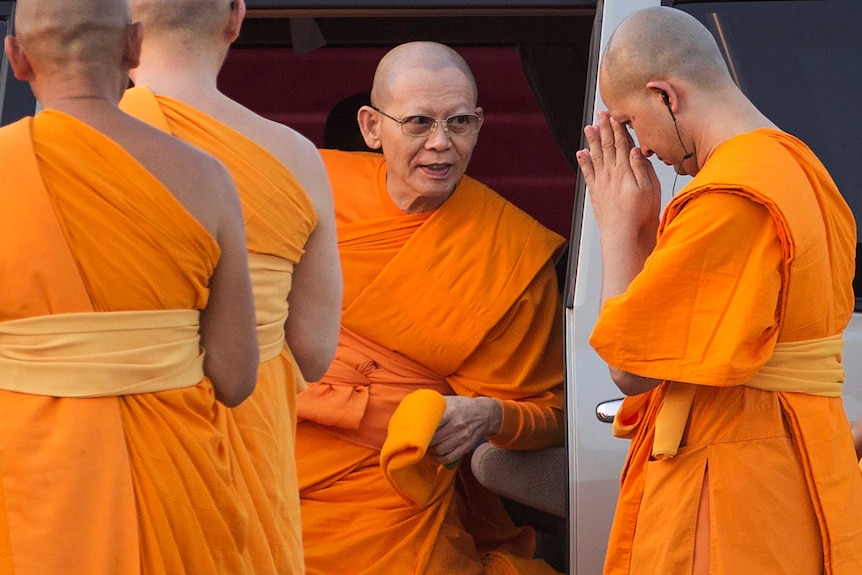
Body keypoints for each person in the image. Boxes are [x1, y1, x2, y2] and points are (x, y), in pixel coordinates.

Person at [575, 7, 862, 575]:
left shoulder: (731, 197)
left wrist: (618, 230)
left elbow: (632, 368)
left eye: (633, 122)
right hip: (797, 457)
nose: (642, 147)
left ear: (666, 96)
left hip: (740, 480)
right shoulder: (803, 169)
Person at [0, 0, 261, 573]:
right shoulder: (205, 178)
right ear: (133, 45)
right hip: (172, 484)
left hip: (24, 489)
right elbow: (236, 377)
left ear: (16, 58)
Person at [295, 40, 566, 575]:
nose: (441, 145)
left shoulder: (511, 250)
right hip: (274, 462)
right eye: (419, 122)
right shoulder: (311, 189)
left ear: (480, 124)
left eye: (459, 123)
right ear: (373, 128)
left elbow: (549, 416)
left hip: (398, 490)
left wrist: (488, 414)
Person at [120, 0, 342, 572]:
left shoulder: (74, 147)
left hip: (116, 449)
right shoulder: (295, 157)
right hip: (247, 451)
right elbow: (315, 353)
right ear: (236, 18)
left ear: (122, 22)